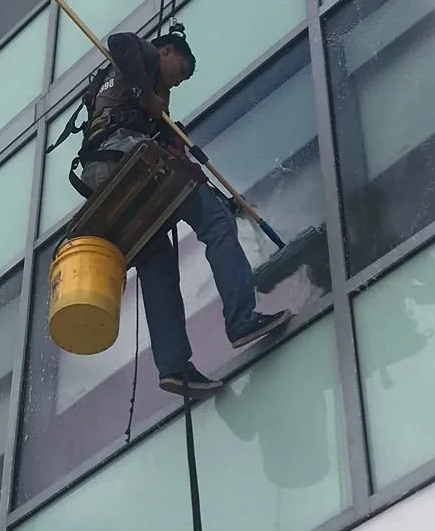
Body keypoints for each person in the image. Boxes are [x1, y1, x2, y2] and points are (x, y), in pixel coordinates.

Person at [74, 25, 289, 397]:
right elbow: (119, 41)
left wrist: (164, 122)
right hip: (126, 154)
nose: (178, 83)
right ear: (167, 51)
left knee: (157, 262)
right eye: (181, 72)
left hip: (101, 171)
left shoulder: (134, 91)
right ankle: (242, 320)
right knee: (217, 224)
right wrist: (148, 96)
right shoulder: (141, 57)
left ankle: (174, 367)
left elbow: (169, 142)